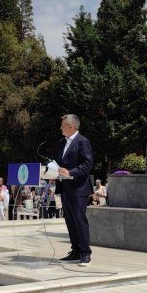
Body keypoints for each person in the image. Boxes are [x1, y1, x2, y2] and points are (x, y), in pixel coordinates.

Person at [55, 114, 95, 267]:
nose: (60, 127)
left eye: (63, 125)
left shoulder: (82, 141)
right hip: (65, 188)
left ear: (71, 126)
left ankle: (86, 253)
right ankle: (76, 251)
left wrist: (70, 172)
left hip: (79, 189)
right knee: (70, 220)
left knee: (79, 220)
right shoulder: (60, 143)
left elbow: (88, 163)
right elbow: (59, 164)